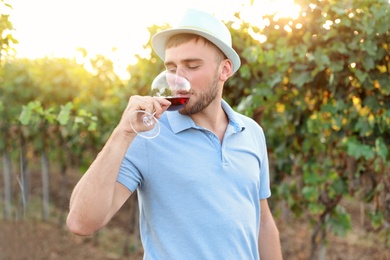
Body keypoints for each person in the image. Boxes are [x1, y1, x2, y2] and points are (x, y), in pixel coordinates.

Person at [67, 8, 283, 260]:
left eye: (192, 66)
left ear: (224, 70)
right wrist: (123, 133)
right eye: (171, 67)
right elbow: (82, 223)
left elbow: (263, 222)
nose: (178, 79)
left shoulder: (251, 132)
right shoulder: (148, 134)